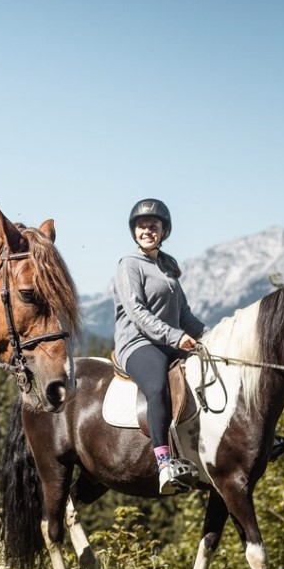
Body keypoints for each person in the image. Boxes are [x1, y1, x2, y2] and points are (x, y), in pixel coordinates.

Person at [112, 198, 205, 495]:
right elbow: (137, 312)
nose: (147, 230)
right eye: (141, 226)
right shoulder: (129, 265)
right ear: (134, 231)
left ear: (164, 230)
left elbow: (185, 314)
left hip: (168, 340)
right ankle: (164, 462)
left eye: (153, 225)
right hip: (138, 343)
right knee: (155, 387)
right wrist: (174, 336)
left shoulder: (167, 267)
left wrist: (211, 337)